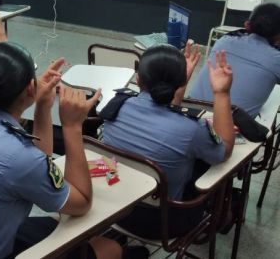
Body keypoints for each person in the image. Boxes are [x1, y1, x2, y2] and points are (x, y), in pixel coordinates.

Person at [0, 42, 121, 259]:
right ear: (31, 87)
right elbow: (82, 203)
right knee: (110, 249)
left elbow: (39, 162)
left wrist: (43, 107)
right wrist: (73, 126)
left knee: (60, 225)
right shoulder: (18, 156)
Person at [101, 44, 235, 239]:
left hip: (112, 208)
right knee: (215, 167)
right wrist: (221, 93)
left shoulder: (116, 106)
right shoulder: (192, 128)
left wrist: (178, 88)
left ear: (138, 79)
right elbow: (225, 151)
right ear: (181, 81)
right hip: (162, 224)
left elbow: (163, 116)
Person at [189, 3, 280, 117]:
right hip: (230, 129)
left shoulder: (223, 40)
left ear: (247, 25)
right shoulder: (276, 60)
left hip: (190, 111)